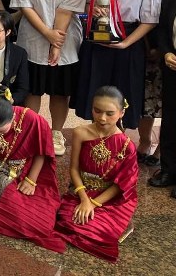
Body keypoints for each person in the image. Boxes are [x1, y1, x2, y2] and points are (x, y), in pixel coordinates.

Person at [10, 0, 86, 156]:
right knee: (32, 90)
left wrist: (55, 42)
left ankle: (56, 133)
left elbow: (66, 10)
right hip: (32, 39)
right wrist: (47, 33)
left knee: (59, 92)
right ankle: (31, 131)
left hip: (65, 41)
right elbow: (25, 6)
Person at [75, 0, 160, 133]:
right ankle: (96, 134)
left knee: (125, 89)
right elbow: (79, 4)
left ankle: (118, 138)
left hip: (129, 41)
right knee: (96, 86)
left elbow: (150, 21)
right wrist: (91, 9)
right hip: (98, 39)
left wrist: (125, 43)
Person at [55, 86, 138, 262]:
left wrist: (92, 204)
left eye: (110, 113)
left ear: (122, 113)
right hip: (81, 191)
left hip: (109, 199)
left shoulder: (127, 146)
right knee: (66, 221)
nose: (102, 118)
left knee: (94, 230)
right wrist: (84, 200)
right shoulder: (81, 132)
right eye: (97, 111)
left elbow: (121, 185)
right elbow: (74, 169)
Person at [0, 96, 65, 253]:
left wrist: (31, 180)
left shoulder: (32, 119)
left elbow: (41, 151)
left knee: (44, 205)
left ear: (13, 117)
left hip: (28, 166)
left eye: (1, 130)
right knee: (12, 206)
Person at [141, 0, 176, 167]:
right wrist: (150, 48)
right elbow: (141, 16)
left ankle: (163, 150)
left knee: (171, 105)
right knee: (148, 102)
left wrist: (165, 51)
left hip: (172, 55)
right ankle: (145, 142)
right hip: (148, 50)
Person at [150, 0, 176, 191]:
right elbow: (164, 30)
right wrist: (166, 52)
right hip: (173, 67)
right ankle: (168, 170)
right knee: (170, 120)